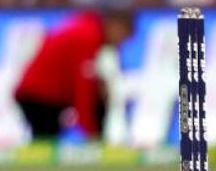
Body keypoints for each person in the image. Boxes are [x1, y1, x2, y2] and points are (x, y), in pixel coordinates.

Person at [13, 9, 134, 139]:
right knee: (46, 137)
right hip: (39, 95)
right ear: (115, 25)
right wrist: (91, 132)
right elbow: (83, 89)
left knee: (46, 137)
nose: (120, 44)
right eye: (123, 38)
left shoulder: (87, 29)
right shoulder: (87, 36)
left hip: (41, 93)